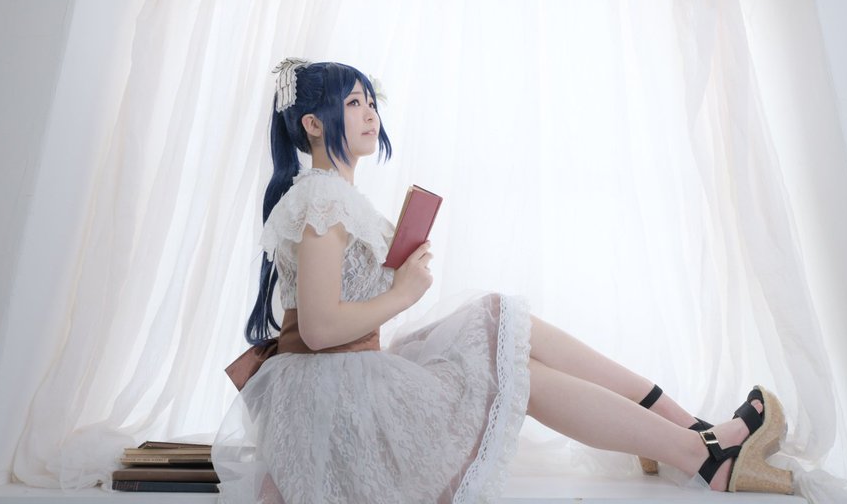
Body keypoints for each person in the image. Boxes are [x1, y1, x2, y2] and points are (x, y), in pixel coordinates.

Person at [214, 59, 794, 503]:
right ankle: (699, 449)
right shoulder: (319, 199)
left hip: (345, 384)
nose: (370, 114)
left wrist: (397, 278)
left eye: (371, 101)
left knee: (501, 326)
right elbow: (319, 329)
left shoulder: (334, 198)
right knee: (513, 368)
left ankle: (690, 434)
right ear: (313, 123)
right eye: (353, 102)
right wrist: (402, 292)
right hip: (336, 406)